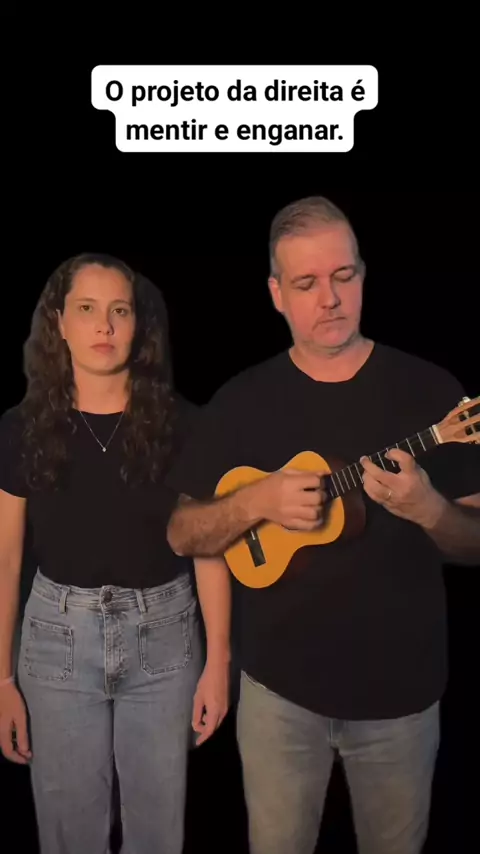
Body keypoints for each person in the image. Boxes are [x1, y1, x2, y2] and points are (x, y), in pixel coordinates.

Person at [164, 197, 480, 854]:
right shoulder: (240, 402)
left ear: (363, 275)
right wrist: (255, 503)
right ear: (277, 294)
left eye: (344, 276)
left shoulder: (431, 393)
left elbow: (476, 542)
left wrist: (429, 509)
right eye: (306, 283)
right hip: (277, 700)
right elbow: (184, 534)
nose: (329, 298)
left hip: (402, 702)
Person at [0, 253, 231, 854]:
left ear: (137, 325)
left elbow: (209, 546)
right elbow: (6, 560)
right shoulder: (22, 428)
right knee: (70, 836)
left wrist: (218, 664)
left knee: (157, 834)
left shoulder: (184, 424)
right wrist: (1, 679)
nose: (103, 326)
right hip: (55, 641)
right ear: (59, 323)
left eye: (119, 311)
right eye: (87, 309)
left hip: (165, 641)